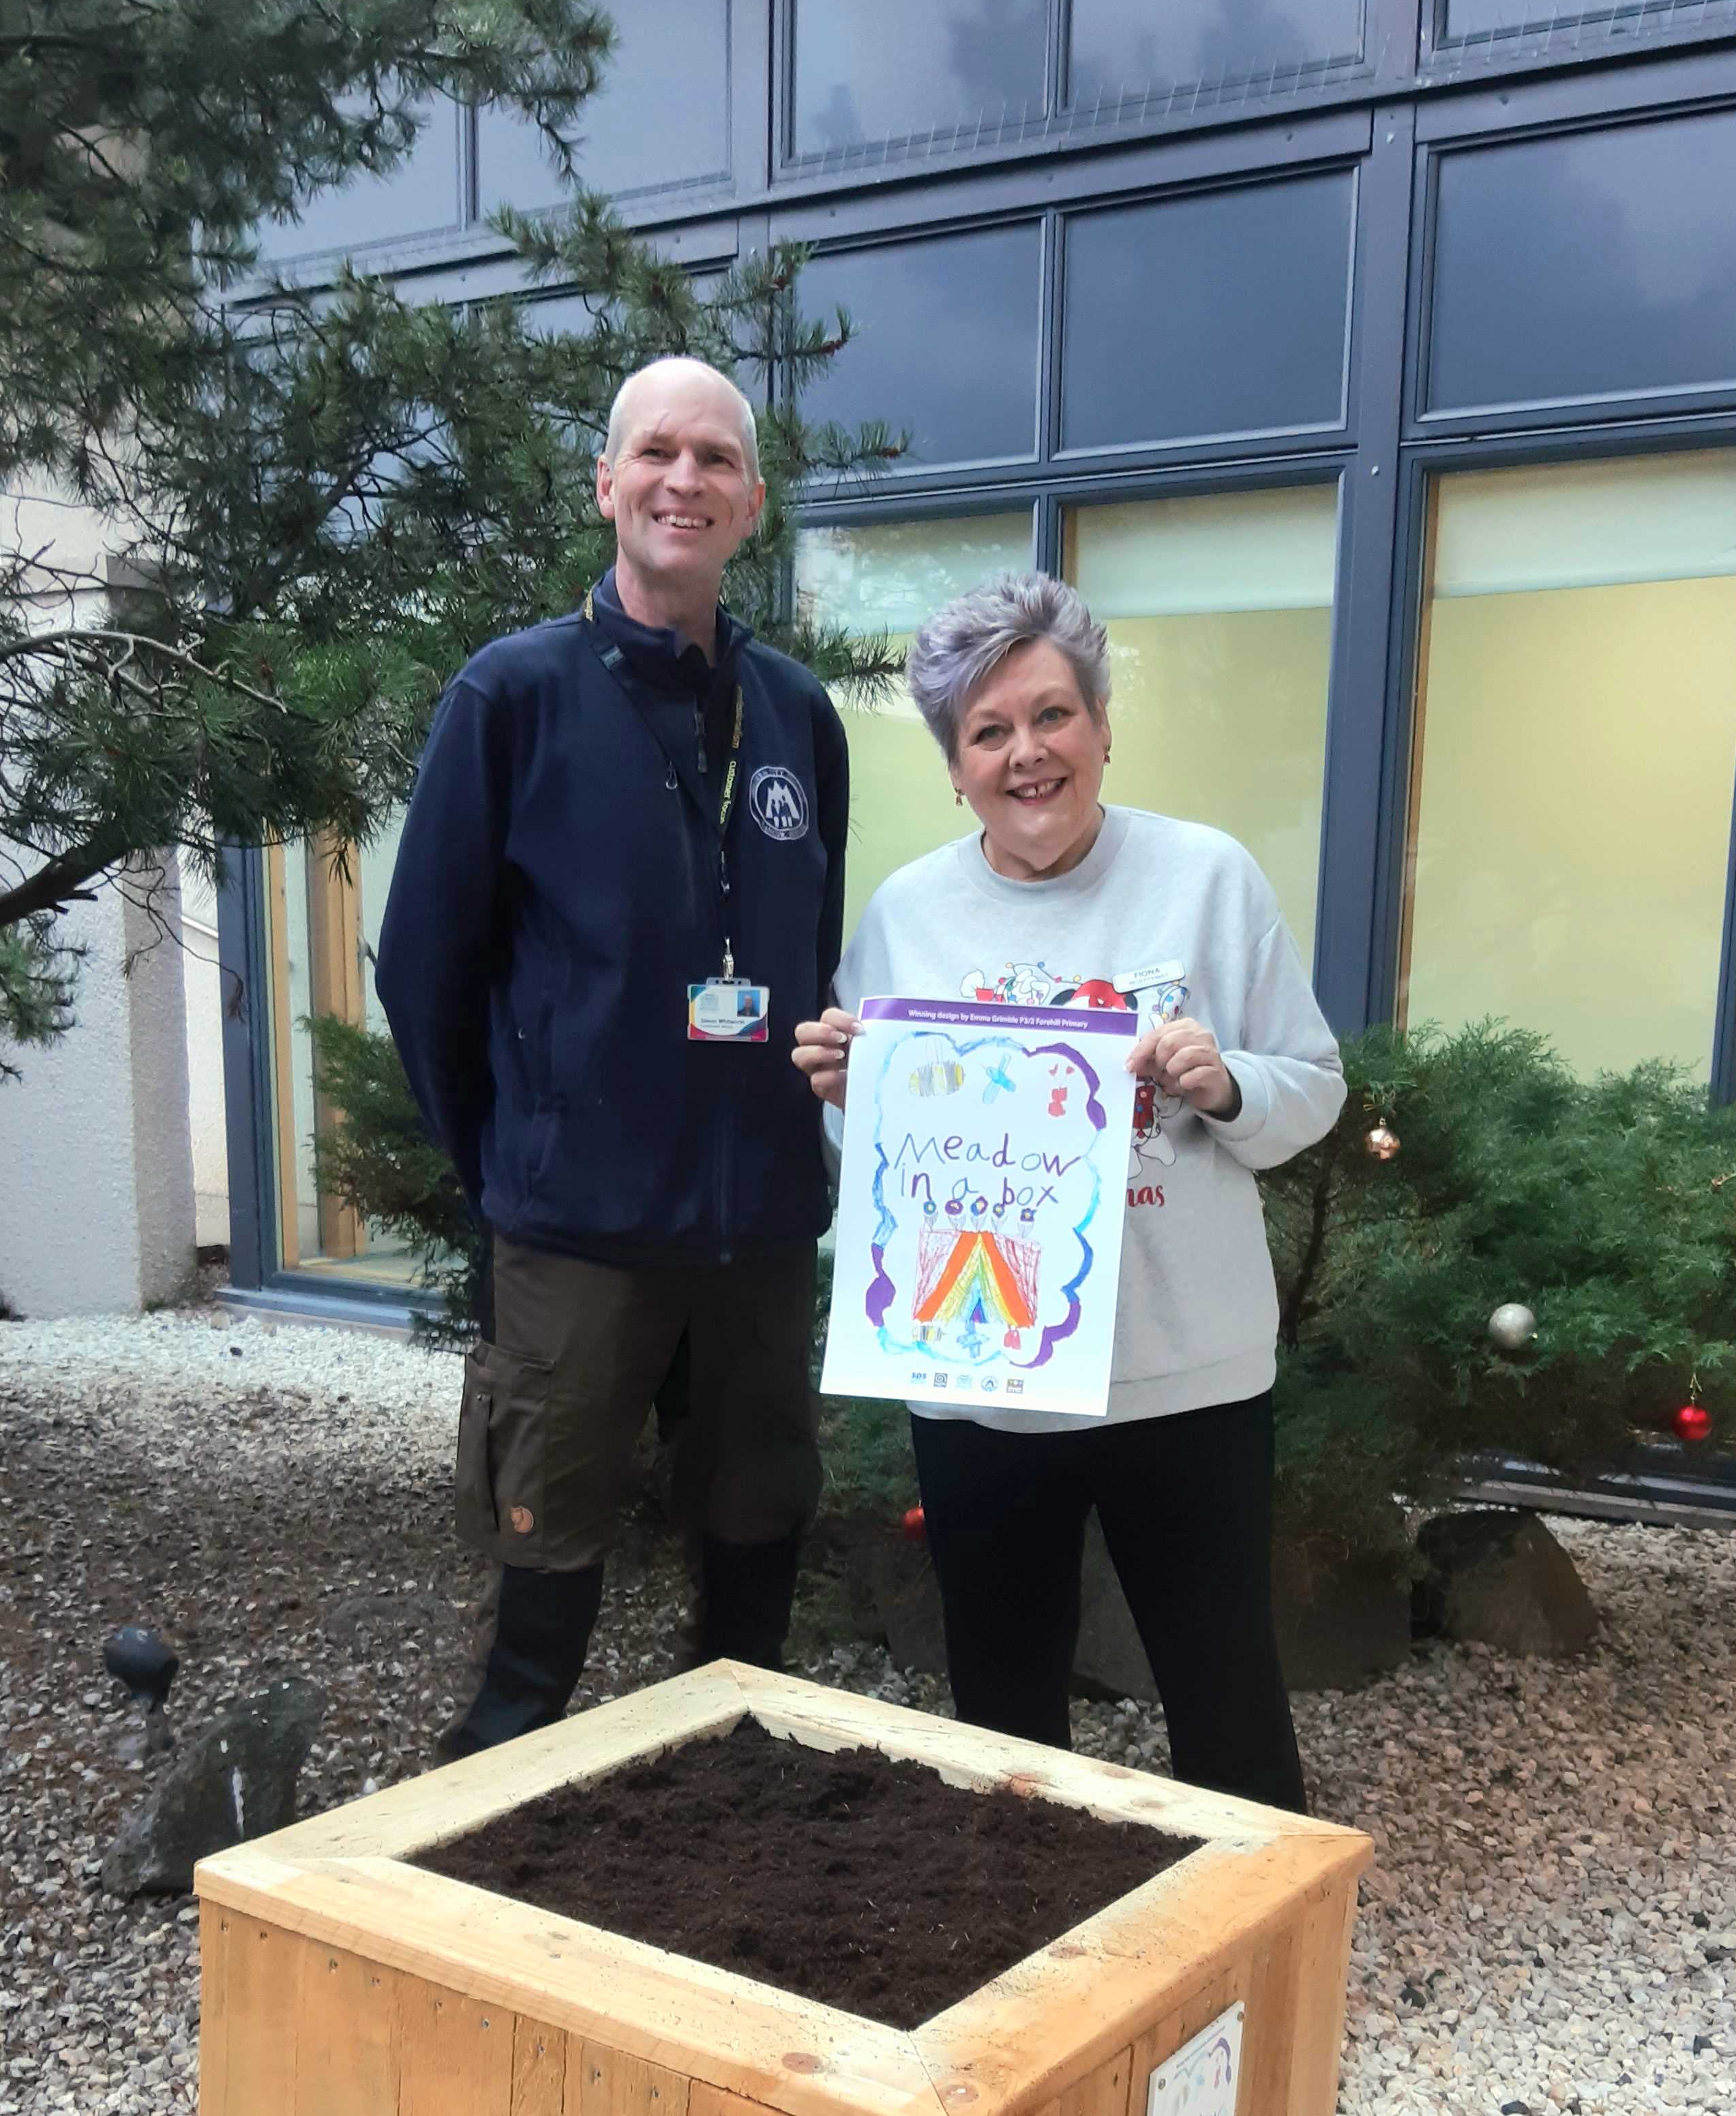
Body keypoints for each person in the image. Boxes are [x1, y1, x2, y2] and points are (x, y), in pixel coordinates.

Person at [792, 571, 1342, 1813]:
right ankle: (1030, 1955)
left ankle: (1246, 1969)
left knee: (1225, 1696)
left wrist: (1226, 1082)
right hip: (986, 1393)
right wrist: (853, 1110)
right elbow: (883, 1184)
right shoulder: (905, 915)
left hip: (1185, 1375)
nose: (1025, 754)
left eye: (1052, 717)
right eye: (988, 732)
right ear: (953, 765)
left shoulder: (1206, 878)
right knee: (1002, 1714)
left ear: (1102, 728)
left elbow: (1314, 1089)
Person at [377, 355, 848, 1758]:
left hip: (759, 1224)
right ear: (607, 485)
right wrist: (518, 1157)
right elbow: (423, 970)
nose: (683, 481)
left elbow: (804, 957)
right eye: (657, 454)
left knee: (759, 1529)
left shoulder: (798, 718)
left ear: (752, 503)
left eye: (714, 460)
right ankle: (487, 1827)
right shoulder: (511, 697)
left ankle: (734, 1797)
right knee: (549, 1550)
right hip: (578, 1232)